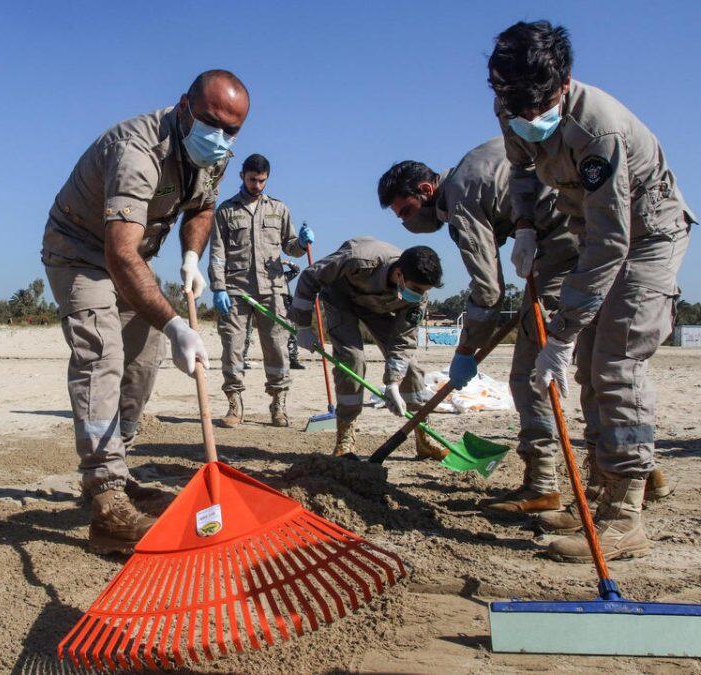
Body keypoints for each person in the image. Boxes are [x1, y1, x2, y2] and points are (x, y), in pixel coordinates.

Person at [489, 21, 693, 561]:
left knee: (616, 361)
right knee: (587, 368)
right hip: (591, 232)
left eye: (540, 107)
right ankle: (605, 492)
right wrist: (527, 224)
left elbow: (611, 242)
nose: (529, 120)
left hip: (648, 236)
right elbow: (521, 169)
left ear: (564, 82)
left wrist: (559, 333)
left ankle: (625, 520)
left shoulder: (599, 131)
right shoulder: (511, 102)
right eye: (517, 108)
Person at [41, 70, 250, 554]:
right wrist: (176, 322)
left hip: (136, 254)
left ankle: (119, 468)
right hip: (81, 250)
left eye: (233, 130)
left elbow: (201, 208)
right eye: (212, 123)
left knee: (140, 367)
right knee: (102, 358)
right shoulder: (135, 151)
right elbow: (118, 254)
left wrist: (192, 256)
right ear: (183, 108)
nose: (221, 139)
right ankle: (106, 497)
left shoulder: (212, 153)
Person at [377, 138, 580, 514]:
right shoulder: (474, 168)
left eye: (406, 211)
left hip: (564, 246)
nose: (406, 223)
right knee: (602, 364)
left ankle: (542, 484)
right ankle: (640, 475)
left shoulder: (460, 197)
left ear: (426, 190)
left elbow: (487, 292)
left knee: (528, 374)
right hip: (579, 236)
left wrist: (465, 351)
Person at [290, 238, 444, 457]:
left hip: (378, 308)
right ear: (399, 273)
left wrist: (392, 382)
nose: (419, 295)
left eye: (424, 291)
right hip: (341, 299)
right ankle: (345, 437)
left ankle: (424, 434)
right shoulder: (357, 258)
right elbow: (309, 277)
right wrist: (303, 325)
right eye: (416, 289)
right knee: (352, 360)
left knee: (410, 367)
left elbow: (403, 341)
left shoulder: (417, 297)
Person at [209, 154, 314, 427]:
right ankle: (234, 405)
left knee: (277, 348)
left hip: (273, 289)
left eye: (262, 180)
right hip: (236, 289)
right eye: (252, 179)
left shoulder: (279, 210)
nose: (257, 185)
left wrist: (302, 244)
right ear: (242, 176)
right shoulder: (225, 211)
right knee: (232, 347)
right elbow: (217, 253)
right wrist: (218, 287)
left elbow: (290, 247)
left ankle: (278, 405)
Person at [244, 259, 304, 370]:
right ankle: (242, 358)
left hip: (284, 307)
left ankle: (292, 359)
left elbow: (296, 270)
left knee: (291, 332)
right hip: (263, 306)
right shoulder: (260, 278)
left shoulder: (283, 277)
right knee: (247, 330)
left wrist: (287, 263)